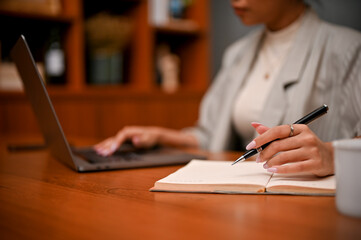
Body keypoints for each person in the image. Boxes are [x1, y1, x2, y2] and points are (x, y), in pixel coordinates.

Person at [95, 0, 361, 177]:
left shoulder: (350, 50)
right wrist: (159, 136)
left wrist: (331, 155)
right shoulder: (238, 53)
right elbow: (211, 136)